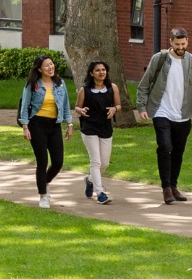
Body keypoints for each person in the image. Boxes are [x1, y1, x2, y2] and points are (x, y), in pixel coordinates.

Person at [136, 26, 192, 204]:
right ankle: (166, 188)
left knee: (178, 152)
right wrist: (141, 107)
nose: (180, 47)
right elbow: (144, 84)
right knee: (165, 147)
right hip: (161, 111)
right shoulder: (160, 59)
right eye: (177, 44)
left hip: (183, 114)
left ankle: (174, 186)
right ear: (171, 42)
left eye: (183, 44)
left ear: (187, 42)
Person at [19, 54, 73, 209]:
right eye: (47, 65)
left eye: (51, 64)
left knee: (58, 162)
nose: (51, 67)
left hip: (54, 125)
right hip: (37, 125)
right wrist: (25, 127)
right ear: (39, 69)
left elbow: (66, 104)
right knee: (42, 161)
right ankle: (43, 195)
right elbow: (25, 106)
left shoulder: (60, 83)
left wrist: (69, 124)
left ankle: (45, 182)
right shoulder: (32, 84)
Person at [75, 60, 121, 204]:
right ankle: (100, 193)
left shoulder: (112, 87)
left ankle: (90, 179)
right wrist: (81, 110)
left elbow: (119, 105)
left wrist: (114, 109)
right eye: (97, 70)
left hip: (105, 128)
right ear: (91, 73)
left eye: (103, 70)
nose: (101, 72)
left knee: (104, 163)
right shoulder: (85, 90)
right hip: (89, 128)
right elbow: (77, 107)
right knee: (95, 161)